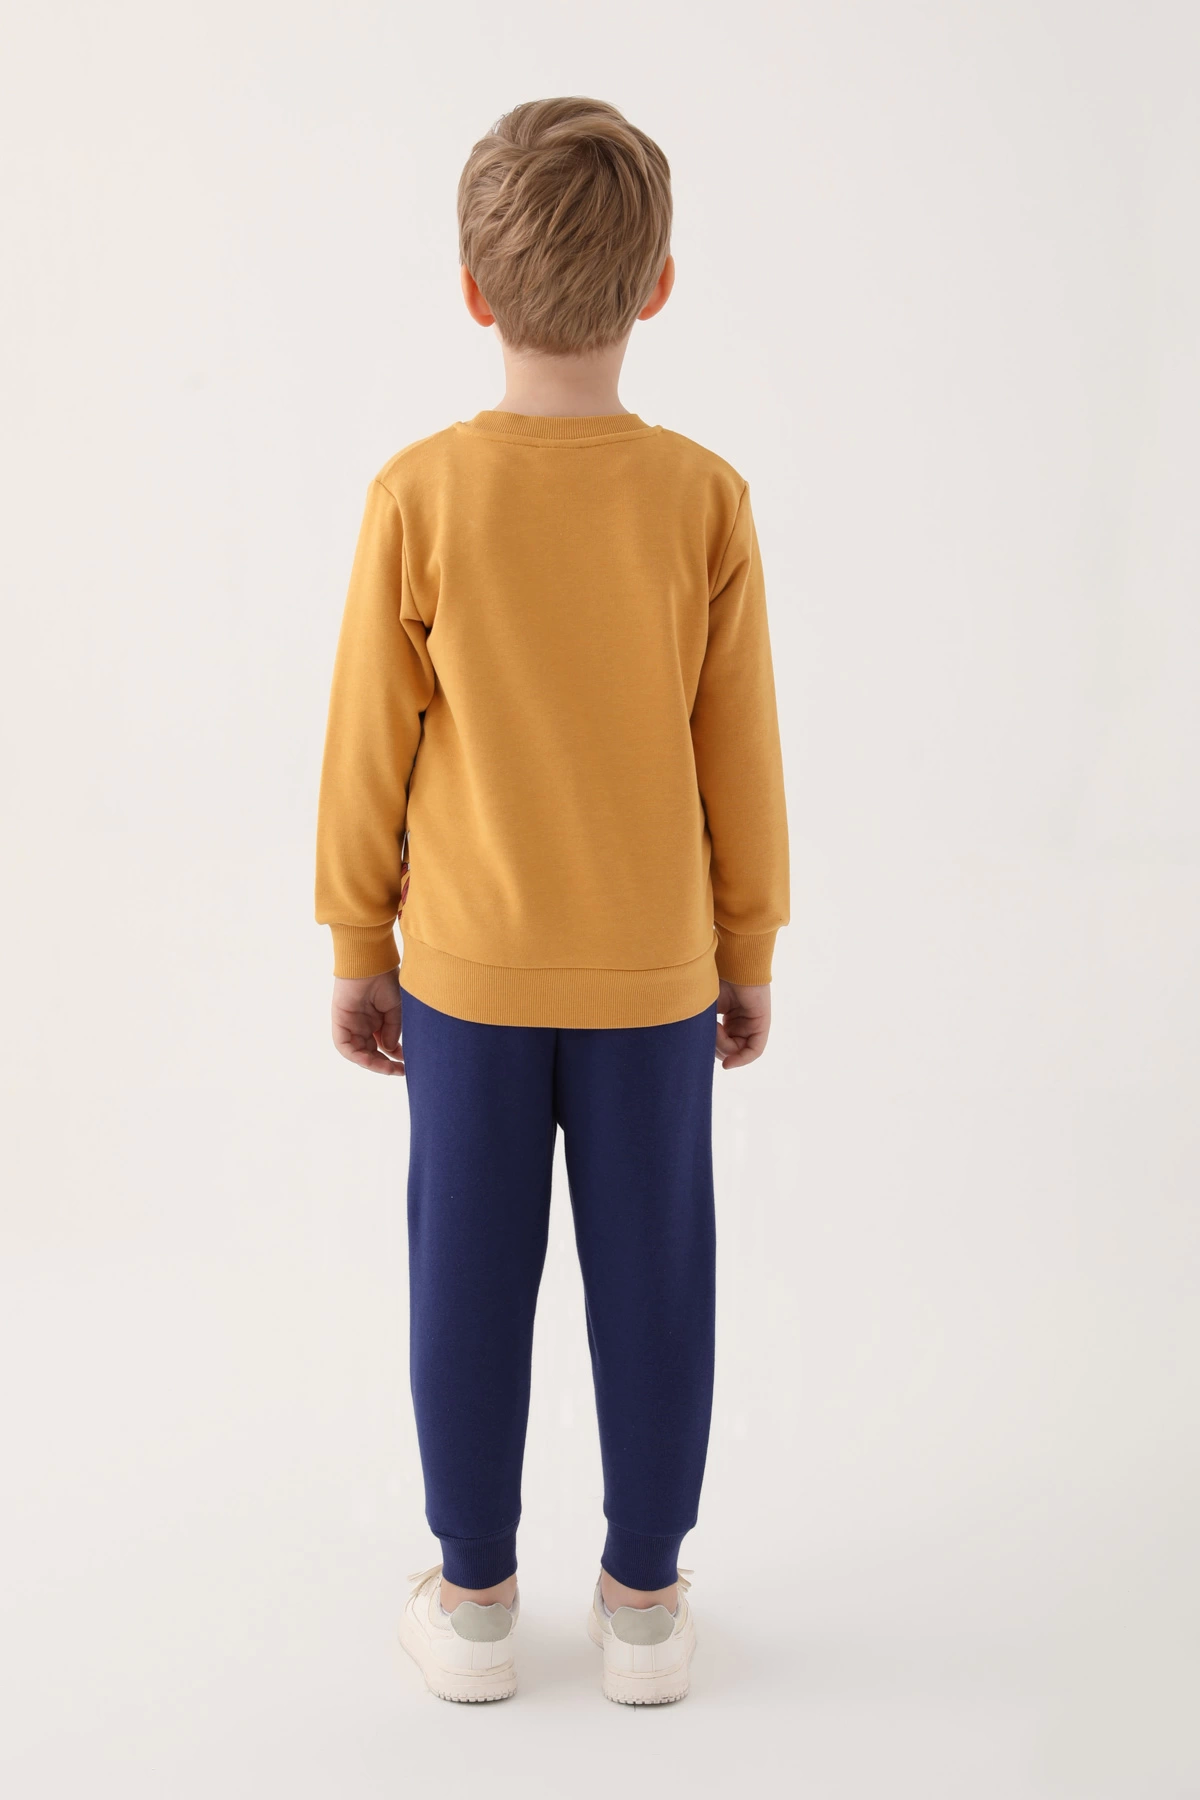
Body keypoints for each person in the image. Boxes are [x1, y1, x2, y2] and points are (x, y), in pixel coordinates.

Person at [315, 96, 789, 1705]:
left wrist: (358, 944)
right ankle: (644, 1609)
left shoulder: (420, 494)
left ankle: (475, 1606)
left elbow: (368, 747)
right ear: (660, 286)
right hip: (656, 975)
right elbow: (740, 753)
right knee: (659, 1276)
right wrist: (747, 949)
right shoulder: (704, 499)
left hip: (465, 974)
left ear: (471, 290)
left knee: (465, 1276)